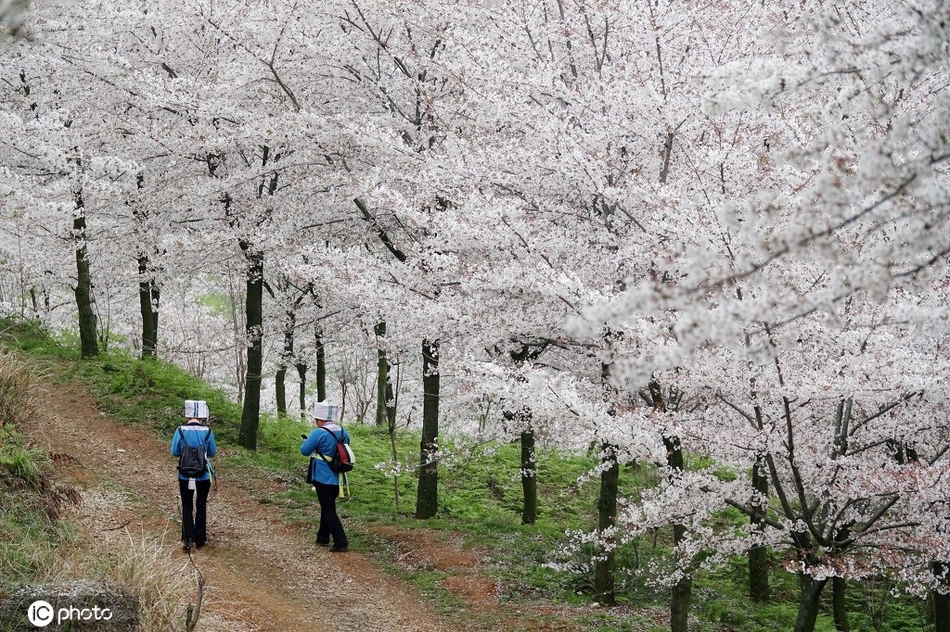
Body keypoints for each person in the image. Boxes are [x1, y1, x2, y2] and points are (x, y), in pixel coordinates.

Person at [300, 400, 350, 552]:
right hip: (339, 476)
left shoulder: (318, 433)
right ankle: (322, 537)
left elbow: (305, 450)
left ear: (319, 419)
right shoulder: (343, 431)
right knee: (327, 505)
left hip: (323, 476)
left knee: (328, 508)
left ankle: (341, 541)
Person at [171, 399, 217, 552]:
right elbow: (212, 453)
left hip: (185, 474)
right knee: (201, 504)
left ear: (187, 415)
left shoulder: (180, 431)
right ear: (202, 416)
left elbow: (174, 452)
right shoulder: (208, 432)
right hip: (203, 475)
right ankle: (201, 538)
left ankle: (188, 538)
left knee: (187, 505)